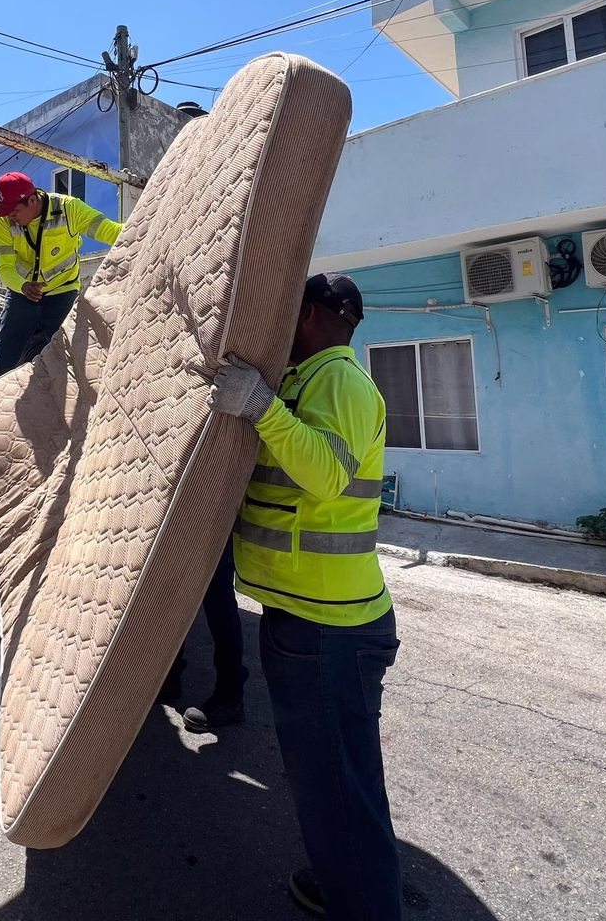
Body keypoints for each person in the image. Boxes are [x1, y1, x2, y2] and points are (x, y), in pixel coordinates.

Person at [210, 272, 400, 921]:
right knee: (327, 779)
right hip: (308, 617)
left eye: (291, 313)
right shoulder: (306, 381)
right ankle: (345, 882)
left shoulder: (340, 380)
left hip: (329, 628)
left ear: (312, 316)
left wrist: (262, 406)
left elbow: (323, 474)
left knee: (338, 784)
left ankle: (365, 905)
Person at [0, 171, 122, 381]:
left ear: (32, 201)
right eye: (5, 211)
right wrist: (23, 286)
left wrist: (146, 225)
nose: (9, 216)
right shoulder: (2, 221)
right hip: (22, 290)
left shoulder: (69, 209)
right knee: (3, 353)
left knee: (69, 352)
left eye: (14, 211)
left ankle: (75, 394)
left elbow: (111, 232)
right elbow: (5, 268)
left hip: (62, 290)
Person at [156, 535, 247, 733]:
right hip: (184, 523)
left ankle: (230, 695)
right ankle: (168, 676)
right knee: (175, 591)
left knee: (217, 599)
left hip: (214, 523)